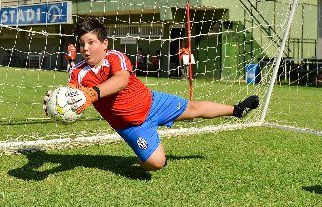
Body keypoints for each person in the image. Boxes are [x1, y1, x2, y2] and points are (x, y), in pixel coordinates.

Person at [44, 18, 259, 171]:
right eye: (82, 44)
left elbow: (121, 80)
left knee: (193, 109)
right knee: (154, 164)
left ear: (104, 44)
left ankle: (237, 109)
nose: (86, 49)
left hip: (153, 102)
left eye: (91, 42)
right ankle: (146, 153)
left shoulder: (115, 57)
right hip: (131, 125)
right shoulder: (77, 72)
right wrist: (58, 103)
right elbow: (72, 95)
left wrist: (93, 94)